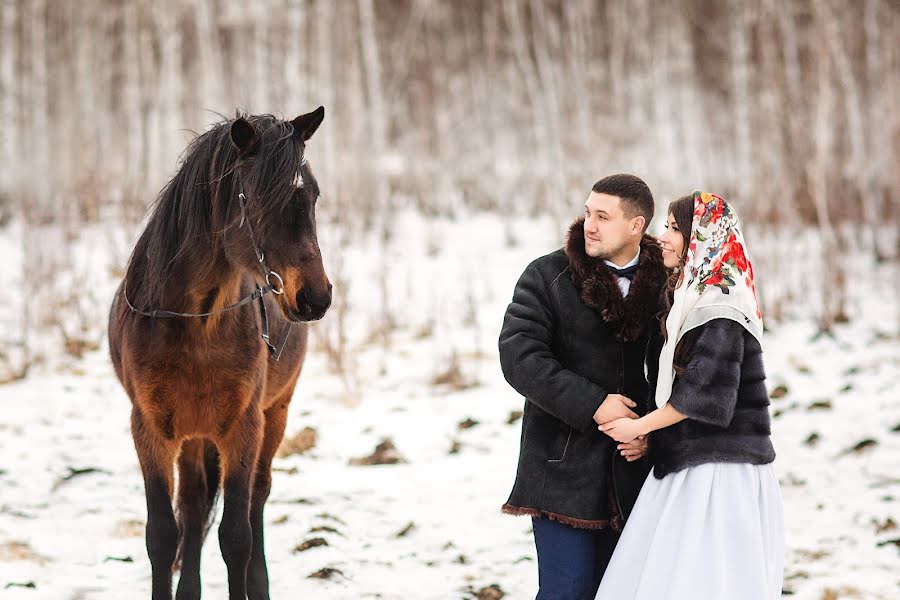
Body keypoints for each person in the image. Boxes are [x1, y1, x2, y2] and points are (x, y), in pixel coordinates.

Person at [595, 191, 784, 599]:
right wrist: (650, 438)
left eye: (676, 229)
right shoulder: (691, 297)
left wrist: (637, 426)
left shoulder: (722, 304)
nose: (664, 237)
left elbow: (704, 397)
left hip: (722, 470)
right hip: (690, 461)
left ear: (704, 237)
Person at [498, 174, 668, 599]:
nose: (589, 224)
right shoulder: (548, 275)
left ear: (636, 225)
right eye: (588, 212)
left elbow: (681, 368)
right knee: (566, 591)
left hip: (637, 474)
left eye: (603, 217)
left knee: (623, 591)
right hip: (560, 468)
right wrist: (594, 404)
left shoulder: (669, 285)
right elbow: (520, 356)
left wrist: (653, 432)